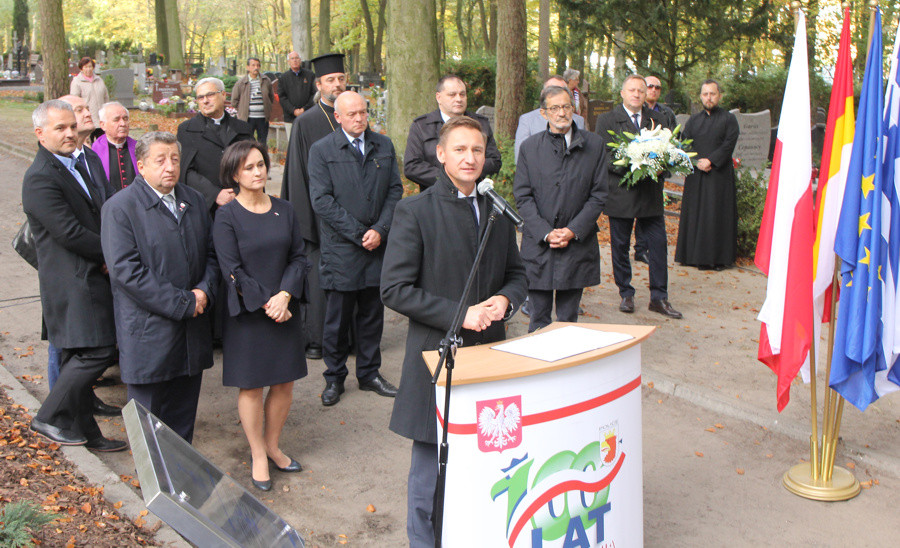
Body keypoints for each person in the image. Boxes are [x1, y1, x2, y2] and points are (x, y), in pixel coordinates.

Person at [381, 116, 527, 546]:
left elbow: (517, 275)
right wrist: (459, 314)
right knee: (429, 476)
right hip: (436, 356)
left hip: (488, 358)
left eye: (478, 150)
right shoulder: (415, 211)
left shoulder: (498, 210)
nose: (470, 158)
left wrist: (506, 301)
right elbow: (394, 289)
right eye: (460, 149)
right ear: (440, 154)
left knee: (480, 467)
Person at [101, 131, 220, 443]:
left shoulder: (193, 200)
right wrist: (183, 302)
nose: (170, 167)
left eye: (175, 159)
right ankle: (152, 488)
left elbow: (211, 254)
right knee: (149, 421)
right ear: (141, 166)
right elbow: (126, 271)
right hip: (149, 334)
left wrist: (204, 291)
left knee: (182, 421)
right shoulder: (121, 208)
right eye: (161, 160)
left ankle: (180, 482)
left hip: (192, 332)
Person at [22, 100, 124, 451]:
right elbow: (70, 233)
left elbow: (102, 206)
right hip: (72, 282)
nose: (70, 133)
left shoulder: (80, 160)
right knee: (97, 351)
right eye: (60, 129)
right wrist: (113, 253)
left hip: (92, 273)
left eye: (71, 126)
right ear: (40, 134)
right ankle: (48, 416)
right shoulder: (39, 177)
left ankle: (89, 436)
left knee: (73, 359)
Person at [213, 141, 309, 491]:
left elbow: (299, 257)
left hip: (284, 307)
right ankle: (257, 454)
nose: (258, 172)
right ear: (234, 174)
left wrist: (285, 296)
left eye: (261, 164)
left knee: (284, 382)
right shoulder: (227, 216)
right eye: (249, 167)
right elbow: (231, 268)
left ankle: (273, 445)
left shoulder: (285, 209)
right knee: (251, 385)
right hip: (249, 313)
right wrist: (267, 303)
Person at [308, 91, 402, 406]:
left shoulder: (383, 145)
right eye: (352, 114)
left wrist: (381, 229)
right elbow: (322, 201)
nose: (360, 119)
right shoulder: (322, 150)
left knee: (373, 315)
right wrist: (359, 233)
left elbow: (394, 190)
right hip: (342, 250)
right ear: (338, 117)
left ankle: (369, 373)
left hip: (376, 248)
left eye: (363, 112)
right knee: (337, 319)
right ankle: (334, 378)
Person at [514, 85, 606, 332]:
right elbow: (523, 196)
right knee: (538, 318)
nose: (561, 113)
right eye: (554, 108)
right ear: (544, 114)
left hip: (576, 244)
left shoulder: (595, 146)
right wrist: (545, 232)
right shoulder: (530, 148)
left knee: (568, 321)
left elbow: (599, 195)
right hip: (539, 244)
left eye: (566, 106)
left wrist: (573, 230)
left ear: (573, 110)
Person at [595, 74, 683, 319]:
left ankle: (659, 297)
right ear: (622, 93)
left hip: (650, 194)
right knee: (620, 246)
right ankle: (626, 292)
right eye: (632, 90)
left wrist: (656, 165)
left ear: (646, 96)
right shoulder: (607, 119)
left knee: (657, 245)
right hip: (621, 194)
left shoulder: (659, 119)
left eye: (641, 91)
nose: (636, 94)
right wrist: (637, 163)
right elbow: (606, 156)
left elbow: (667, 153)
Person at [281, 53, 347, 361]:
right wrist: (305, 223)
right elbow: (297, 175)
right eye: (330, 80)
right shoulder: (306, 122)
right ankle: (317, 339)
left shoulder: (354, 117)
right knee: (319, 282)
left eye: (341, 79)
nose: (337, 85)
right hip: (317, 219)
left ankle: (348, 338)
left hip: (352, 220)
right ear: (318, 85)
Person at [676, 80, 740, 270]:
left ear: (719, 95)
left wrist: (711, 160)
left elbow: (729, 143)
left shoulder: (729, 119)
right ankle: (691, 256)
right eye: (705, 94)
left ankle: (716, 259)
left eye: (712, 94)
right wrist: (697, 162)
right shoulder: (694, 120)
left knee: (715, 215)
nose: (709, 98)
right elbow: (685, 143)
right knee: (695, 214)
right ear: (701, 96)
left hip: (718, 175)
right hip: (697, 175)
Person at [403, 74, 501, 189]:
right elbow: (412, 167)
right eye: (452, 95)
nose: (458, 99)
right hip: (434, 196)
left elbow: (494, 161)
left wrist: (468, 173)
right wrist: (450, 178)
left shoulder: (480, 124)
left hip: (473, 194)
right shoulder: (421, 126)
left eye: (462, 94)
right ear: (438, 97)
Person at [177, 77, 254, 213]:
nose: (205, 101)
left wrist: (236, 193)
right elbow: (185, 171)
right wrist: (215, 194)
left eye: (210, 95)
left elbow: (254, 165)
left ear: (223, 95)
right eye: (200, 97)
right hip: (204, 206)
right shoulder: (187, 130)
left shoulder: (243, 129)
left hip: (242, 202)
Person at [632, 75, 677, 265]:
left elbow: (673, 140)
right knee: (635, 208)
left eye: (658, 88)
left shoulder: (666, 114)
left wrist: (663, 166)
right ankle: (639, 247)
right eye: (650, 86)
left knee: (651, 211)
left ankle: (646, 247)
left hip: (656, 173)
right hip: (635, 169)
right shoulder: (635, 111)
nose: (654, 90)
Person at [514, 75, 586, 163]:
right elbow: (521, 158)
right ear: (543, 93)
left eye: (561, 90)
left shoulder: (578, 120)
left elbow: (583, 156)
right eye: (552, 90)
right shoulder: (527, 120)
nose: (557, 94)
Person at [92, 101, 138, 191]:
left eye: (125, 119)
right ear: (103, 125)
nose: (123, 124)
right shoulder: (93, 152)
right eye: (116, 120)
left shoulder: (139, 148)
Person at [231, 58, 275, 144]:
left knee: (262, 142)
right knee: (247, 141)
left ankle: (262, 157)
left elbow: (271, 97)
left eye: (258, 65)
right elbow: (234, 101)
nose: (256, 67)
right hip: (248, 118)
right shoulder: (241, 83)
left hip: (262, 118)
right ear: (248, 67)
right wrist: (242, 110)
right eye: (253, 65)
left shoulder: (266, 81)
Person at [278, 51, 317, 124]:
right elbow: (282, 97)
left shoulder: (310, 75)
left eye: (297, 58)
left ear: (300, 60)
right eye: (292, 58)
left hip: (308, 115)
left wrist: (304, 109)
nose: (295, 60)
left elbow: (314, 94)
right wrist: (293, 110)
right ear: (288, 62)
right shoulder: (283, 78)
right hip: (290, 118)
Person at [69, 57, 109, 127]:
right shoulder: (77, 82)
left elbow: (105, 97)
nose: (88, 69)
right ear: (81, 68)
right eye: (86, 67)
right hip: (87, 118)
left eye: (90, 66)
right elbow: (75, 100)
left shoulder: (99, 80)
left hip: (101, 118)